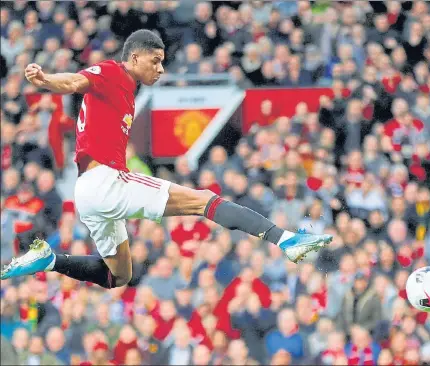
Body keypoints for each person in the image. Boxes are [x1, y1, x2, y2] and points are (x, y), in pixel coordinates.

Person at [1, 30, 332, 288]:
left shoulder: (124, 89)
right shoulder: (114, 72)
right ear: (134, 57)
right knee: (202, 200)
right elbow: (74, 81)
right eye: (155, 61)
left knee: (118, 276)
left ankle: (49, 261)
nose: (160, 68)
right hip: (106, 180)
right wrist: (45, 80)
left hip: (88, 191)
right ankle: (286, 240)